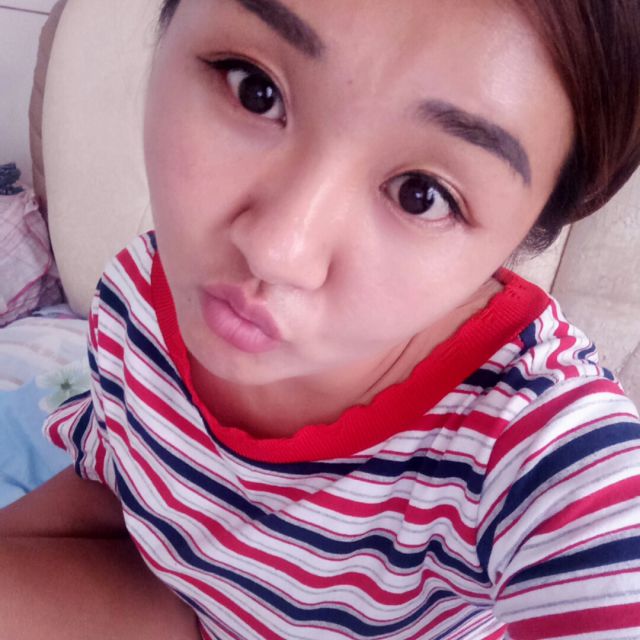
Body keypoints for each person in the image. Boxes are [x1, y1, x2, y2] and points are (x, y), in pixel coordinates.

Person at [1, 0, 640, 638]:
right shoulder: (140, 292)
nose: (278, 251)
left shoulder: (535, 446)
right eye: (254, 90)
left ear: (523, 235)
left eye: (422, 195)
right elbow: (124, 485)